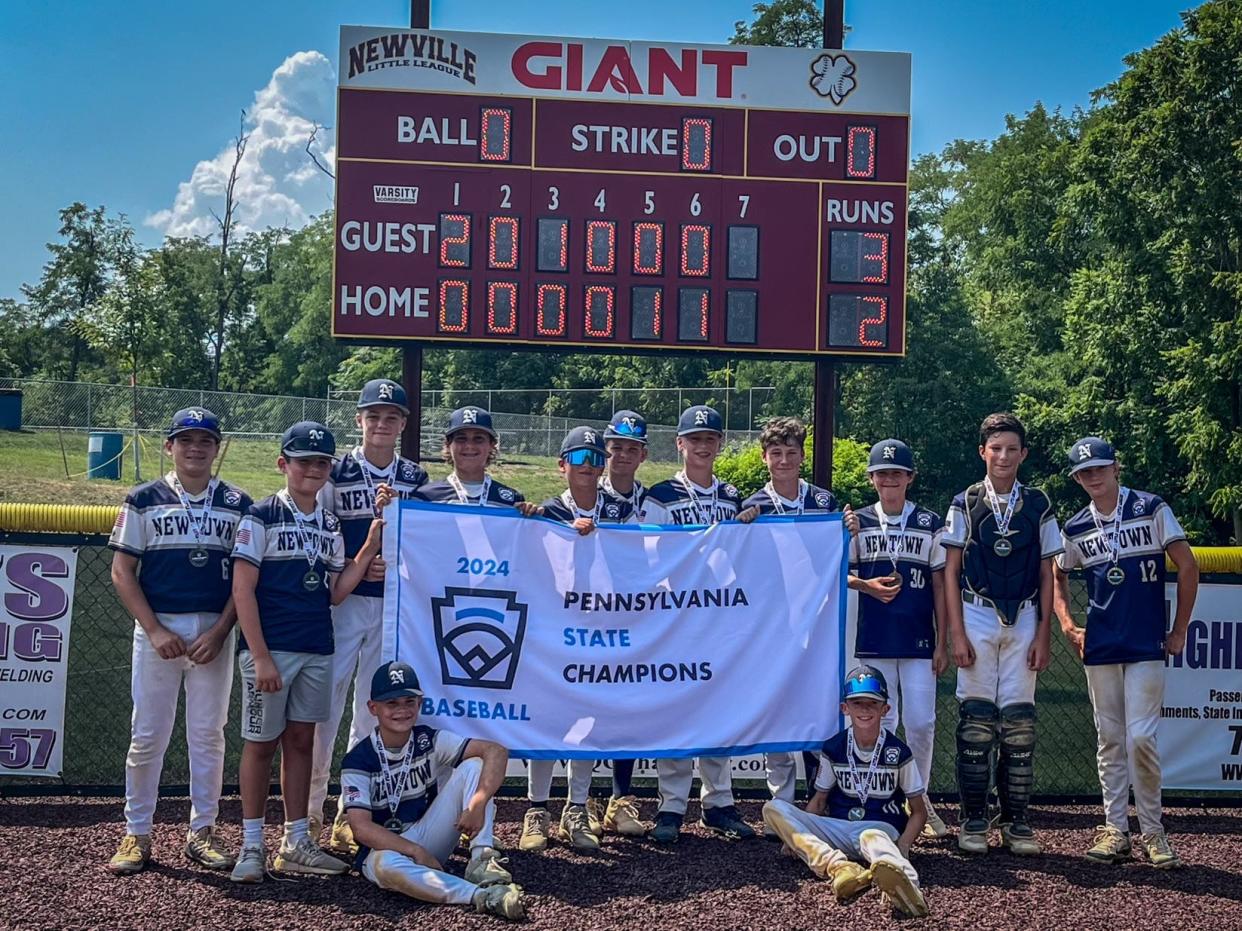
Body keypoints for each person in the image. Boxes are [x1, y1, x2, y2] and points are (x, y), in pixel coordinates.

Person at [228, 422, 384, 883]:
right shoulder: (260, 515)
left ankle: (296, 840)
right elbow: (242, 590)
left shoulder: (330, 523)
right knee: (260, 745)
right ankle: (251, 844)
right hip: (272, 648)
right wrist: (259, 657)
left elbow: (336, 592)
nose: (313, 470)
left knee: (302, 743)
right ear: (284, 464)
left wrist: (369, 548)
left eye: (321, 463)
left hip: (317, 647)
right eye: (304, 461)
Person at [106, 409, 252, 876]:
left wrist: (222, 629)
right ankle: (137, 831)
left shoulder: (237, 502)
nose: (195, 448)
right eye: (185, 440)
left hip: (213, 629)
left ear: (217, 448)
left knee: (209, 734)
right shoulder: (143, 498)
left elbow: (245, 580)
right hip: (159, 627)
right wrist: (154, 630)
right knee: (148, 734)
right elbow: (121, 572)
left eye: (205, 441)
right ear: (169, 446)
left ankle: (202, 831)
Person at [1052, 436, 1198, 868]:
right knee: (1110, 739)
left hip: (1145, 643)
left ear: (1116, 467)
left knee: (1141, 738)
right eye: (1083, 472)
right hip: (1100, 644)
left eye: (1098, 467)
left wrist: (1180, 629)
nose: (1091, 476)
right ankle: (1116, 829)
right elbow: (1056, 573)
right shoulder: (1076, 526)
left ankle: (1153, 831)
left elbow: (1188, 566)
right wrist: (1067, 624)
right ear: (1077, 479)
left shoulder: (1151, 508)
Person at [311, 378, 427, 856]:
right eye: (373, 415)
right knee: (323, 711)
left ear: (402, 424)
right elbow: (317, 533)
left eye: (392, 416)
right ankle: (309, 814)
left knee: (369, 710)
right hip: (344, 601)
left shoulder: (416, 477)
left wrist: (394, 562)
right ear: (359, 419)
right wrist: (355, 565)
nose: (382, 423)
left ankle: (348, 812)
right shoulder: (334, 471)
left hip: (393, 605)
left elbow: (426, 543)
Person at [941, 412, 1061, 856]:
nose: (1004, 456)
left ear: (1023, 453)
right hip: (976, 612)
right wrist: (956, 632)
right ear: (982, 452)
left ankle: (1016, 822)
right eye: (996, 448)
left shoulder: (1038, 504)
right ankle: (973, 819)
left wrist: (1044, 634)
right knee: (975, 722)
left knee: (1018, 725)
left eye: (1012, 449)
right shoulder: (965, 501)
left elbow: (1049, 571)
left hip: (1026, 615)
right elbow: (950, 571)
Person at [519, 426, 639, 852]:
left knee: (588, 719)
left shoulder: (620, 512)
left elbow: (639, 560)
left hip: (603, 626)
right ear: (562, 464)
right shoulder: (547, 511)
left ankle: (577, 808)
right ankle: (537, 809)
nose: (587, 466)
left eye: (594, 458)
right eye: (578, 458)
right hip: (554, 627)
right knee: (549, 717)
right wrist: (537, 526)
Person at [638, 405, 753, 843]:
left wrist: (748, 527)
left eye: (711, 439)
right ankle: (671, 804)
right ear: (680, 444)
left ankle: (718, 801)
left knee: (718, 706)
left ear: (719, 444)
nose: (703, 445)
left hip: (720, 617)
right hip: (676, 617)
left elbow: (744, 558)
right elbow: (647, 554)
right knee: (678, 708)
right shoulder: (661, 494)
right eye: (695, 438)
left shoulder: (732, 495)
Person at [737, 416, 857, 816]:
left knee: (817, 711)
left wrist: (848, 530)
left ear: (802, 456)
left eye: (791, 453)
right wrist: (740, 530)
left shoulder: (822, 502)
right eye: (776, 453)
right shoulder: (753, 505)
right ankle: (781, 804)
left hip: (818, 624)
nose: (784, 460)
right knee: (777, 711)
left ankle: (817, 799)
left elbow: (838, 560)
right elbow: (740, 565)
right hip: (772, 626)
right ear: (764, 457)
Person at [342, 661, 524, 921]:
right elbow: (362, 829)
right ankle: (481, 896)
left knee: (475, 764)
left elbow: (496, 751)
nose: (402, 710)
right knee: (385, 866)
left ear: (420, 703)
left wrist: (477, 804)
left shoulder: (428, 739)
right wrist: (416, 852)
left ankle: (481, 859)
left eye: (409, 701)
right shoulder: (358, 759)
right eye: (391, 703)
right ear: (373, 708)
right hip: (384, 848)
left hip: (428, 833)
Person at [762, 666, 930, 918]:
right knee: (772, 808)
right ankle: (839, 867)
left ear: (886, 709)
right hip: (838, 828)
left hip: (880, 827)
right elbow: (819, 802)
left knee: (873, 839)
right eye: (857, 703)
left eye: (872, 704)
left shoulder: (898, 752)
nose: (864, 710)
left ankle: (906, 885)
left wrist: (904, 844)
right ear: (845, 709)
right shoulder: (834, 748)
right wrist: (796, 837)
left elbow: (919, 811)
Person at [847, 439, 949, 838]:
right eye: (882, 473)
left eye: (897, 473)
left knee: (921, 722)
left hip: (918, 638)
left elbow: (941, 584)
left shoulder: (930, 522)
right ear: (872, 478)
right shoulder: (857, 521)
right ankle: (881, 799)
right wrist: (867, 585)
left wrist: (943, 641)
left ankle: (919, 802)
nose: (890, 479)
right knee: (881, 721)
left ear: (910, 478)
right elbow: (840, 574)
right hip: (872, 639)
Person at [596, 410, 653, 839]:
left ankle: (620, 799)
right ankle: (569, 805)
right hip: (582, 612)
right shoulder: (583, 492)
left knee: (630, 704)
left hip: (635, 612)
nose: (623, 455)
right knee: (578, 699)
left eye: (632, 449)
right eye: (616, 447)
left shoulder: (652, 502)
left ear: (643, 454)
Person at [416, 406, 538, 514]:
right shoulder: (426, 497)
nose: (469, 446)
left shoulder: (511, 501)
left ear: (492, 445)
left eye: (478, 439)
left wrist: (530, 516)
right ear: (448, 444)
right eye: (461, 439)